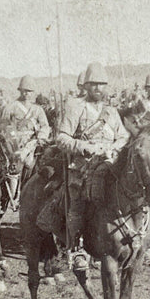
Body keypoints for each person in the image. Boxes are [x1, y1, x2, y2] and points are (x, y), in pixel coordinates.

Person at [51, 62, 129, 271]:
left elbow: (123, 136)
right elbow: (61, 138)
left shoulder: (111, 112)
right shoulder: (75, 107)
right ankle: (77, 247)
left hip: (110, 161)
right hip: (83, 165)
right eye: (93, 84)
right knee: (77, 202)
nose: (98, 88)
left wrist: (114, 148)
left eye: (101, 84)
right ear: (85, 86)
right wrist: (83, 146)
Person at [0, 75, 50, 175]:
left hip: (33, 143)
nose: (27, 93)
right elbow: (3, 126)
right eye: (24, 90)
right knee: (11, 169)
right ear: (20, 90)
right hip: (14, 143)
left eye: (29, 91)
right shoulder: (10, 107)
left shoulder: (38, 109)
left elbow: (45, 126)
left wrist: (41, 137)